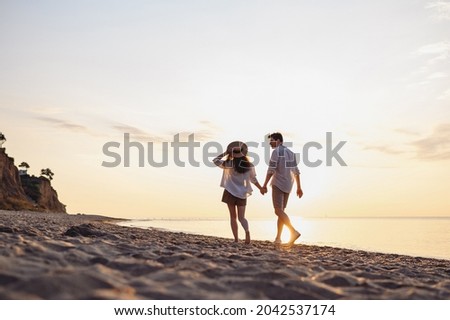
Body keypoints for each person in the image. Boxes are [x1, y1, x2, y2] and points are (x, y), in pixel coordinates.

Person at [213, 141, 263, 244]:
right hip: (242, 194)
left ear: (232, 153)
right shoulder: (249, 165)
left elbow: (215, 160)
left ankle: (236, 239)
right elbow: (253, 179)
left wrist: (226, 153)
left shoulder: (229, 163)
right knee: (242, 217)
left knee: (233, 217)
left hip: (230, 192)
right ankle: (247, 232)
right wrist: (261, 188)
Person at [261, 132, 303, 245]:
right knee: (281, 212)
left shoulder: (276, 152)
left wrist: (264, 185)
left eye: (272, 140)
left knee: (277, 210)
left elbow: (271, 169)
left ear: (279, 140)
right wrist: (299, 187)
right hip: (288, 185)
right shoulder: (290, 153)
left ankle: (293, 231)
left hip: (278, 184)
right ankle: (278, 238)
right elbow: (296, 172)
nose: (270, 143)